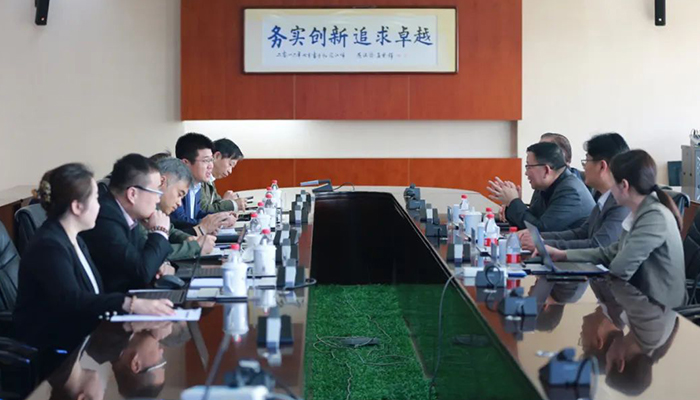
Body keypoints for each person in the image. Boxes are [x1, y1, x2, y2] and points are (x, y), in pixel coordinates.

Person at [14, 163, 174, 346]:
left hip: (84, 335)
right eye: (96, 199)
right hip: (53, 349)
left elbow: (94, 292)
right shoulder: (49, 246)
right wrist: (131, 304)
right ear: (77, 207)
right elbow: (73, 301)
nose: (101, 206)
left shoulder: (75, 239)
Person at [544, 150, 686, 308]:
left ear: (624, 185)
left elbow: (621, 268)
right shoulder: (640, 210)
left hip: (656, 308)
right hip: (637, 300)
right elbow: (611, 251)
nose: (609, 190)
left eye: (612, 183)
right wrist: (563, 254)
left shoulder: (654, 217)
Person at [81, 154, 174, 293]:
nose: (158, 200)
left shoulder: (126, 213)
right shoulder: (105, 219)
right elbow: (142, 271)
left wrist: (162, 263)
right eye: (156, 192)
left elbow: (143, 256)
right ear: (132, 194)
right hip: (112, 299)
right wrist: (160, 231)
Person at [520, 133, 630, 250]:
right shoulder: (605, 199)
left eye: (586, 161)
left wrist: (543, 244)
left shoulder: (622, 203)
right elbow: (581, 233)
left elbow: (597, 246)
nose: (584, 167)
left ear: (602, 166)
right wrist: (538, 237)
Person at [488, 141, 595, 232]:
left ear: (546, 170)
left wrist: (514, 202)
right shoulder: (546, 186)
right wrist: (512, 203)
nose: (526, 173)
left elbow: (540, 231)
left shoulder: (570, 191)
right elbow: (532, 220)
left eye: (529, 167)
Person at [139, 157, 216, 260]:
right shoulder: (141, 208)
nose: (179, 203)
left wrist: (188, 238)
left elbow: (170, 230)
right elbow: (150, 254)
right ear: (162, 182)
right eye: (179, 194)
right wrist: (195, 247)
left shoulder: (156, 209)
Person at [169, 133, 236, 233]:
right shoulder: (175, 187)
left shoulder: (197, 186)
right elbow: (181, 222)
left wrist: (223, 217)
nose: (210, 166)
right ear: (186, 163)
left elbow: (198, 214)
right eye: (205, 161)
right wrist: (213, 223)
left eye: (211, 160)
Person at [201, 138, 247, 213]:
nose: (230, 171)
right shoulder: (199, 178)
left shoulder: (211, 180)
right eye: (230, 164)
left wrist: (227, 204)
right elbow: (203, 211)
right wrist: (231, 204)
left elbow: (215, 204)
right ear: (217, 156)